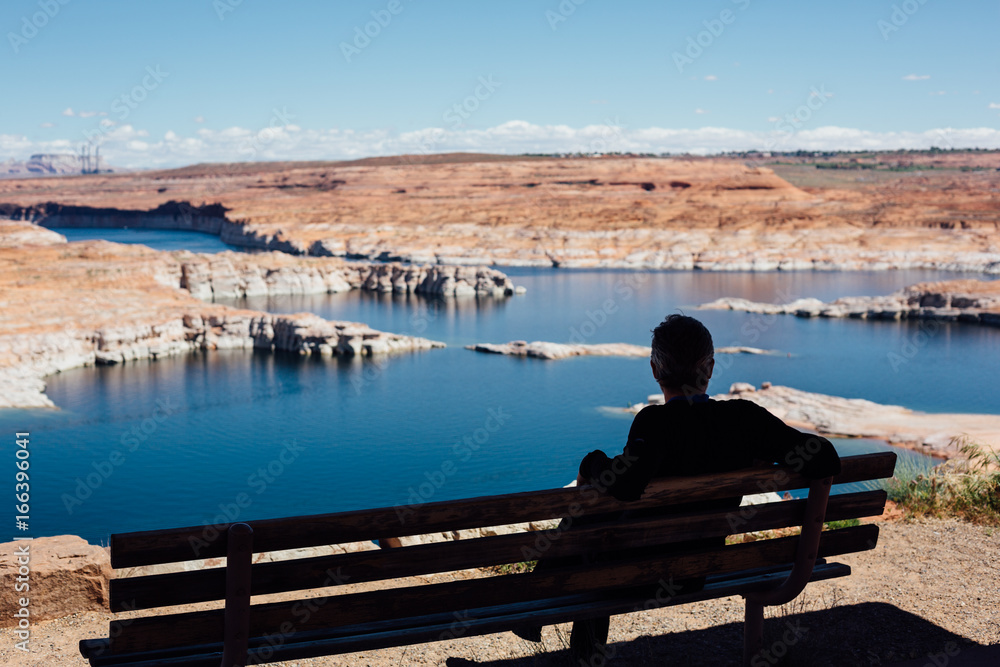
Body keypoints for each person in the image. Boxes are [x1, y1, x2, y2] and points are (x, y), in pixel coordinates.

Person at [515, 314, 841, 654]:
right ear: (710, 368)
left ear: (655, 370)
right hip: (696, 571)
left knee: (588, 520)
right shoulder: (745, 418)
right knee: (595, 525)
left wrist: (590, 463)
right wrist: (763, 457)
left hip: (635, 574)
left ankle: (540, 618)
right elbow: (826, 458)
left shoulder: (655, 422)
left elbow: (626, 484)